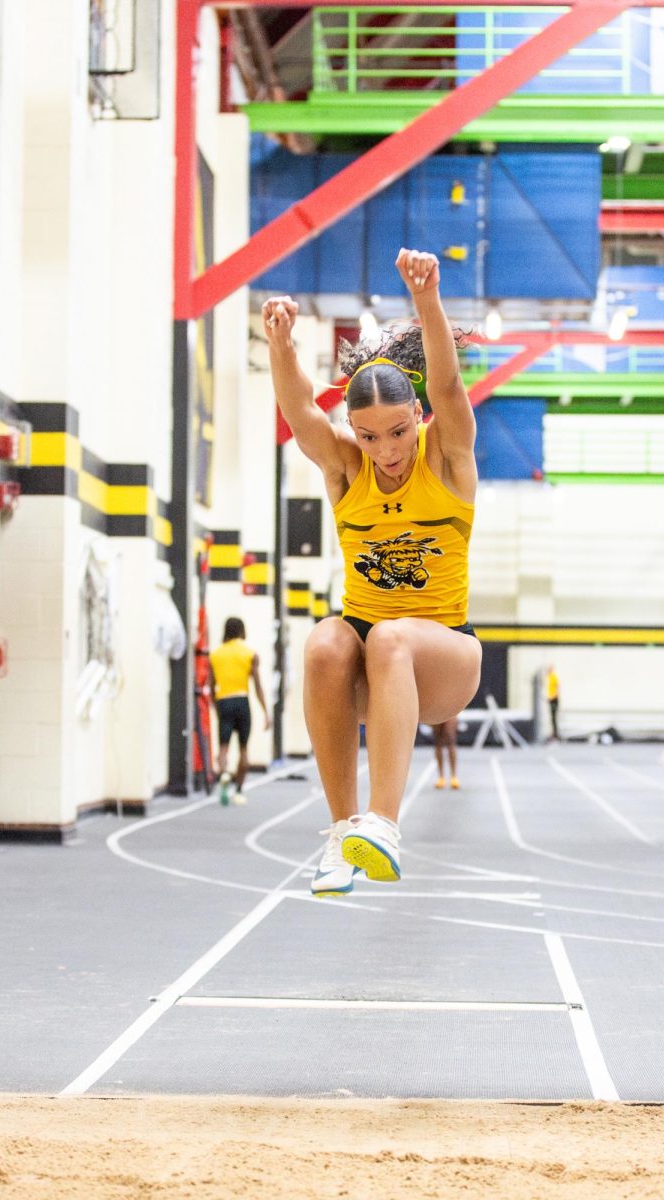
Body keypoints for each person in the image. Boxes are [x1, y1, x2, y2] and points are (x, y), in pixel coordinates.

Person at [263, 248, 481, 897]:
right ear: (353, 432)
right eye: (369, 436)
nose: (386, 451)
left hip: (443, 655)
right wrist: (280, 344)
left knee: (390, 637)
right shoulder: (346, 469)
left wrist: (427, 301)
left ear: (417, 417)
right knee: (328, 639)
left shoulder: (446, 457)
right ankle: (342, 837)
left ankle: (384, 822)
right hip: (369, 667)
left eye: (397, 431)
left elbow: (447, 386)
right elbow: (302, 414)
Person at [209, 617, 271, 804]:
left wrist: (216, 707)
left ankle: (223, 776)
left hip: (224, 701)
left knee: (223, 748)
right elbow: (258, 685)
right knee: (244, 749)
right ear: (242, 631)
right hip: (242, 701)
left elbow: (211, 686)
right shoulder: (250, 654)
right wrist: (266, 711)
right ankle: (239, 790)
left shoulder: (215, 655)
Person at [432, 717, 460, 790]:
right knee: (438, 742)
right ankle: (441, 777)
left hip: (450, 711)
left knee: (451, 739)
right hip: (437, 712)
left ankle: (453, 776)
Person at [546, 664, 560, 742]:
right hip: (552, 698)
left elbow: (556, 687)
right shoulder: (549, 677)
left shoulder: (553, 677)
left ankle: (555, 735)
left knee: (554, 718)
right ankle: (554, 734)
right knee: (552, 718)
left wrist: (552, 698)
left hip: (554, 699)